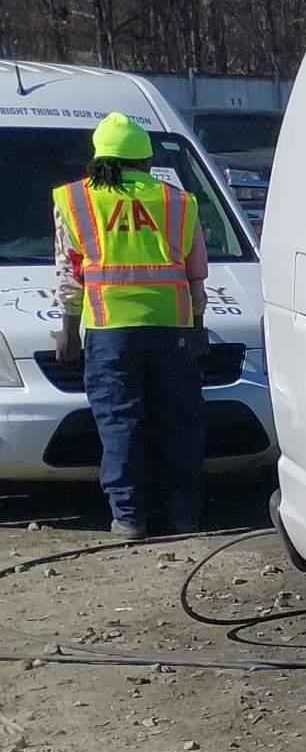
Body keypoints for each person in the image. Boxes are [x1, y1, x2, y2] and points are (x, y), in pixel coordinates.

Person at [52, 111, 209, 539]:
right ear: (144, 157)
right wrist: (197, 326)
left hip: (109, 330)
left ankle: (129, 517)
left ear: (100, 156)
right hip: (172, 328)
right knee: (178, 420)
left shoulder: (76, 200)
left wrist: (68, 328)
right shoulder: (178, 201)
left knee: (121, 421)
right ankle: (184, 516)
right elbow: (196, 273)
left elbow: (70, 271)